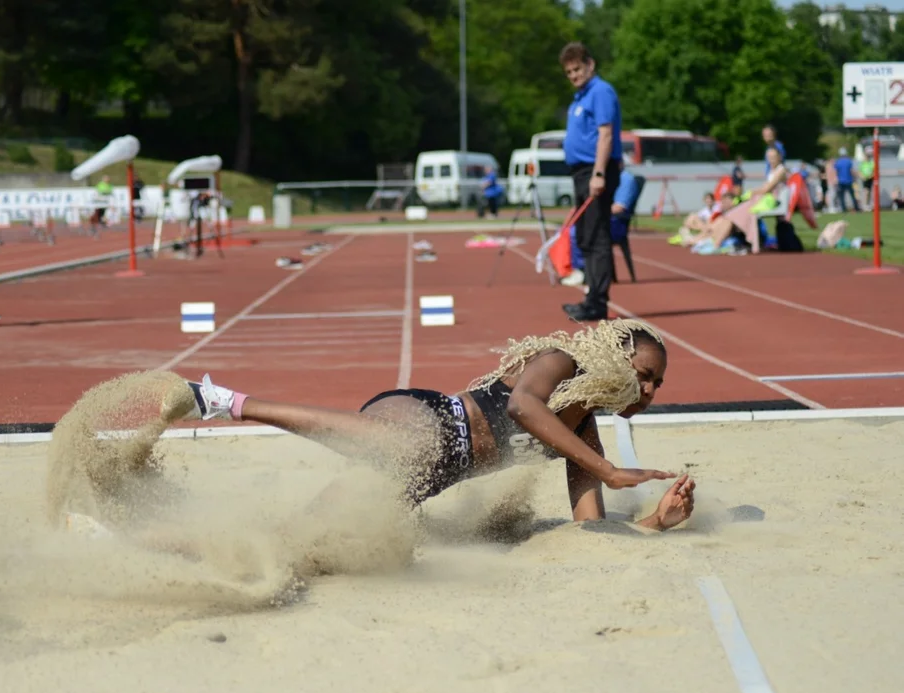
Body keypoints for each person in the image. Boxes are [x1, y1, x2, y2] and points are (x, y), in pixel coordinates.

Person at [161, 318, 697, 531]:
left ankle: (160, 534)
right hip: (430, 422)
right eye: (645, 377)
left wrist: (657, 521)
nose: (648, 393)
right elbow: (521, 408)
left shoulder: (582, 434)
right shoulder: (561, 360)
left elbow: (589, 530)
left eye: (658, 387)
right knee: (402, 446)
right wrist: (606, 469)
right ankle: (220, 400)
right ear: (615, 355)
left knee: (307, 541)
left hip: (425, 479)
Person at [558, 42, 623, 323]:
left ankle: (598, 302)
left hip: (596, 171)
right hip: (581, 172)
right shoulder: (579, 97)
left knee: (596, 237)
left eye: (577, 69)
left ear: (590, 65)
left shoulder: (600, 92)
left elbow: (605, 134)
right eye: (569, 72)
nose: (573, 75)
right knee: (585, 236)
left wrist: (599, 173)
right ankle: (591, 297)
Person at [685, 147, 788, 255]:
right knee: (727, 216)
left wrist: (749, 193)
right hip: (760, 200)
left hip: (768, 202)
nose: (770, 160)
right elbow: (764, 188)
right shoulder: (772, 170)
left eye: (773, 157)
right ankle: (706, 240)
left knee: (731, 216)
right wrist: (749, 194)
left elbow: (767, 189)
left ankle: (715, 243)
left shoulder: (781, 170)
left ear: (779, 157)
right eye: (768, 157)